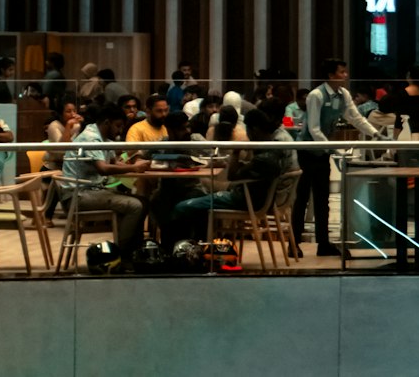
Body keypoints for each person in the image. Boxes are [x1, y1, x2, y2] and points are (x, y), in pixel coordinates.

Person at [293, 58, 380, 255]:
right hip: (306, 152)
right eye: (341, 72)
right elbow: (314, 128)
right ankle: (293, 243)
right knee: (302, 198)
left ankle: (323, 244)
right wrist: (332, 149)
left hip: (323, 151)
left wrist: (376, 133)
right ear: (331, 75)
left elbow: (355, 117)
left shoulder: (343, 94)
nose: (345, 75)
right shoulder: (316, 95)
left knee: (323, 199)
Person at [170, 107, 287, 244]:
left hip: (241, 199)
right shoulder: (274, 150)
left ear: (254, 130)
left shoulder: (263, 158)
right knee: (200, 199)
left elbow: (232, 175)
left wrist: (236, 153)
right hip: (255, 199)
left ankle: (177, 248)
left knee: (181, 207)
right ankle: (199, 244)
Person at [62, 103, 149, 262]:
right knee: (135, 206)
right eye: (118, 126)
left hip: (93, 192)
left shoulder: (104, 139)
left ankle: (135, 253)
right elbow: (103, 168)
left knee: (144, 201)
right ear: (107, 122)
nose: (120, 130)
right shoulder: (92, 138)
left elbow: (115, 163)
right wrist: (134, 169)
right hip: (79, 195)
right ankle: (122, 255)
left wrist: (133, 165)